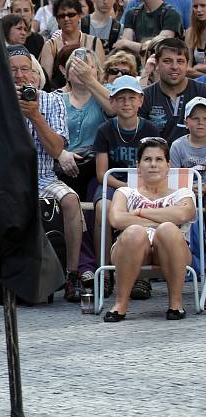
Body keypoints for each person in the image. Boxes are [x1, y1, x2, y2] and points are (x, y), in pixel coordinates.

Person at [9, 45, 85, 301]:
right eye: (13, 71)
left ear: (35, 73)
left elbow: (56, 149)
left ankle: (72, 274)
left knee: (71, 201)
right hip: (8, 178)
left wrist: (34, 115)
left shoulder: (54, 101)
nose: (20, 76)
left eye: (25, 70)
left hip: (43, 175)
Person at [103, 138, 196, 321]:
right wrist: (162, 218)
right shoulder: (126, 192)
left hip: (171, 250)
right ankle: (120, 304)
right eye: (147, 159)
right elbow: (116, 219)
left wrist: (139, 213)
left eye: (159, 159)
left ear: (168, 166)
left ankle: (175, 304)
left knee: (168, 230)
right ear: (138, 166)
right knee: (134, 232)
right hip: (132, 249)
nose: (153, 164)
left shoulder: (183, 193)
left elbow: (183, 214)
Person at [93, 75, 161, 297]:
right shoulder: (105, 130)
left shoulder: (150, 128)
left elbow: (156, 166)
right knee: (103, 208)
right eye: (120, 98)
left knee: (142, 209)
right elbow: (102, 174)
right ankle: (104, 272)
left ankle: (140, 275)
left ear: (141, 100)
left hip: (144, 183)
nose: (126, 103)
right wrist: (124, 187)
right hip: (115, 182)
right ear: (112, 102)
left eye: (132, 97)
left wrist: (135, 189)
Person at [140, 38, 206, 142]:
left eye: (180, 61)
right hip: (158, 156)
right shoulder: (145, 97)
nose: (174, 67)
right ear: (156, 64)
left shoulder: (203, 93)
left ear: (187, 64)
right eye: (167, 61)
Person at [39, 0, 106, 87]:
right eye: (61, 16)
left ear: (80, 16)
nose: (66, 19)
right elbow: (46, 81)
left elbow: (101, 76)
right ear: (57, 19)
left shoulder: (95, 42)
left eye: (71, 15)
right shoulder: (50, 46)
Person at [116, 0, 183, 53]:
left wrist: (128, 44)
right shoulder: (132, 14)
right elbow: (123, 47)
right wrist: (127, 44)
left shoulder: (171, 14)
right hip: (137, 65)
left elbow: (159, 47)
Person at [171, 96, 206, 167]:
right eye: (195, 118)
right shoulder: (177, 147)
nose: (201, 122)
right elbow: (173, 176)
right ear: (186, 123)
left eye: (205, 118)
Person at [187, 0, 206, 76]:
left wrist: (195, 69)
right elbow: (187, 67)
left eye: (203, 5)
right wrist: (197, 68)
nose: (198, 10)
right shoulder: (190, 32)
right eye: (195, 6)